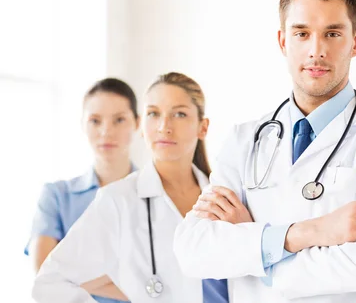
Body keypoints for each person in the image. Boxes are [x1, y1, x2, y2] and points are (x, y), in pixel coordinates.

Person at [174, 0, 356, 303]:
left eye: (332, 33)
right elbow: (194, 251)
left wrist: (257, 255)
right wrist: (311, 232)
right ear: (283, 41)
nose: (316, 50)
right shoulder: (244, 140)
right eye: (302, 33)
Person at [32, 72, 229, 303]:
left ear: (203, 127)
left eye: (179, 114)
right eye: (153, 114)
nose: (164, 126)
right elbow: (50, 282)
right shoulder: (117, 200)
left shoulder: (225, 195)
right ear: (142, 125)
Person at [26, 77, 139, 302]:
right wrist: (137, 287)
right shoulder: (56, 197)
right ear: (82, 124)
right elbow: (45, 276)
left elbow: (172, 283)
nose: (106, 131)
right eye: (95, 120)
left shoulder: (158, 195)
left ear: (137, 123)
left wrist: (75, 278)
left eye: (119, 120)